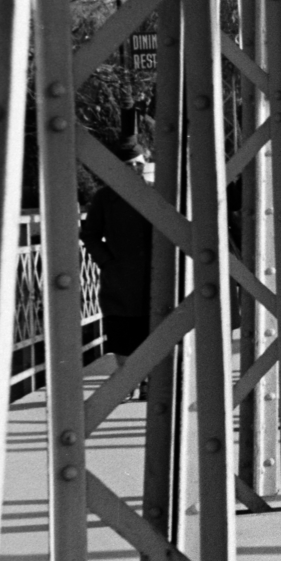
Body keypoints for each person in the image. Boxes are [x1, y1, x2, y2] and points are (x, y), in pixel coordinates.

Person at [80, 138, 153, 390]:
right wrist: (107, 262)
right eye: (129, 165)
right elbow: (89, 234)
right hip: (120, 278)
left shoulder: (155, 192)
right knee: (122, 331)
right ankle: (127, 382)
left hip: (155, 276)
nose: (135, 170)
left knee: (152, 328)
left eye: (139, 164)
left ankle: (147, 382)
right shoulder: (105, 198)